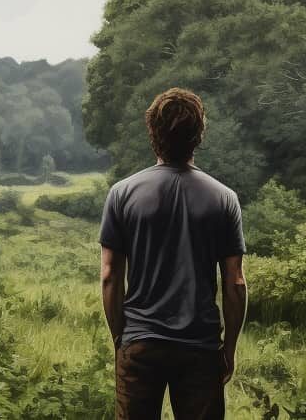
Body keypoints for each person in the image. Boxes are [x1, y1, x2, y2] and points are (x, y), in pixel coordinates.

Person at [99, 87, 248, 419]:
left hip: (140, 342)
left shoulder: (122, 194)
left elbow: (110, 275)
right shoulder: (224, 198)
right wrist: (230, 349)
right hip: (200, 347)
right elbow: (235, 283)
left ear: (152, 130)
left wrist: (120, 340)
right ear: (199, 133)